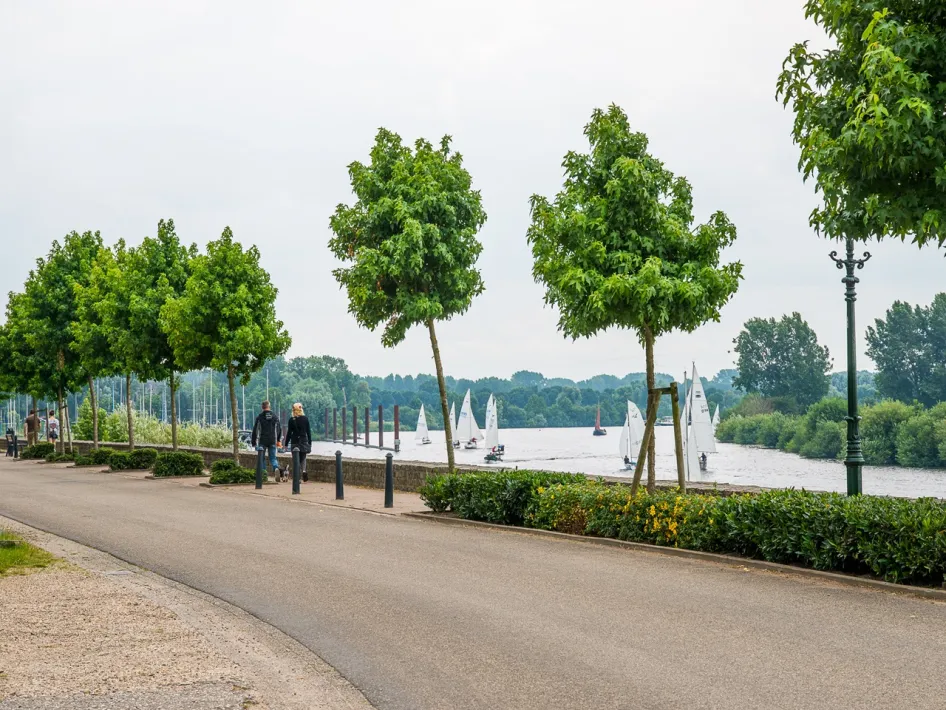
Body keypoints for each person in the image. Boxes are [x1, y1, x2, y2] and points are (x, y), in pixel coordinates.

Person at [251, 401, 282, 482]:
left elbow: (255, 430)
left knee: (262, 458)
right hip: (272, 440)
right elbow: (279, 429)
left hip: (262, 440)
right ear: (269, 406)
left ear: (262, 407)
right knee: (273, 457)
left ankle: (264, 474)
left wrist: (253, 441)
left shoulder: (260, 417)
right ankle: (276, 468)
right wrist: (278, 440)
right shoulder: (275, 417)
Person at [284, 402, 312, 483]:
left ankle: (298, 477)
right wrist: (310, 443)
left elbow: (289, 433)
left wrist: (286, 444)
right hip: (303, 440)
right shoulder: (305, 419)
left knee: (296, 459)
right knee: (303, 458)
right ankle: (303, 471)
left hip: (295, 441)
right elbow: (308, 432)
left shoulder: (291, 420)